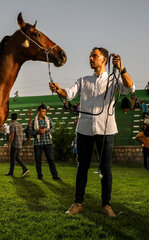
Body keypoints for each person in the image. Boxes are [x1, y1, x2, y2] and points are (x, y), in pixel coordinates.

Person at [49, 47, 135, 217]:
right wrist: (59, 90)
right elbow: (69, 94)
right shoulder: (83, 80)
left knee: (106, 168)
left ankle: (106, 205)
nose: (90, 58)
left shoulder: (113, 80)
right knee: (82, 167)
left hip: (106, 129)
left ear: (104, 60)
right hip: (84, 129)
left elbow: (130, 88)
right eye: (90, 55)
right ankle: (78, 203)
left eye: (94, 56)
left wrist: (121, 68)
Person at [30, 104, 60, 180]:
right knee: (38, 160)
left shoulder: (48, 119)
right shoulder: (34, 121)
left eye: (45, 111)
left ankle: (55, 175)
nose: (44, 113)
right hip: (37, 143)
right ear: (38, 112)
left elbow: (53, 129)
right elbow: (30, 132)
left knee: (51, 159)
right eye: (42, 111)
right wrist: (38, 131)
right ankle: (39, 176)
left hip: (48, 142)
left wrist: (45, 130)